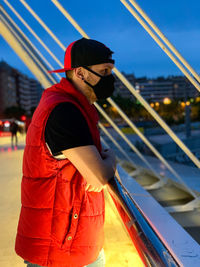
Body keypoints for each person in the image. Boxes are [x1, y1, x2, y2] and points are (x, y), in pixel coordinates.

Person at [15, 37, 116, 267]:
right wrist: (111, 157)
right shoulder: (64, 111)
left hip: (69, 242)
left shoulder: (70, 105)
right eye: (105, 71)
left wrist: (101, 162)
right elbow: (99, 176)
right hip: (60, 250)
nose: (111, 78)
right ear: (80, 73)